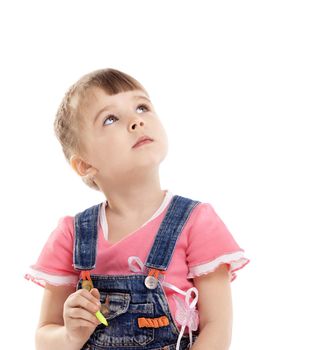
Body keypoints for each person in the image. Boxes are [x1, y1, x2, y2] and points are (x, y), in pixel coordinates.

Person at [25, 68, 250, 350]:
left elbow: (218, 327)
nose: (136, 121)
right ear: (84, 164)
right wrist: (71, 335)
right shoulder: (71, 236)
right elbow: (44, 338)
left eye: (142, 107)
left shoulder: (196, 222)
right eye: (110, 119)